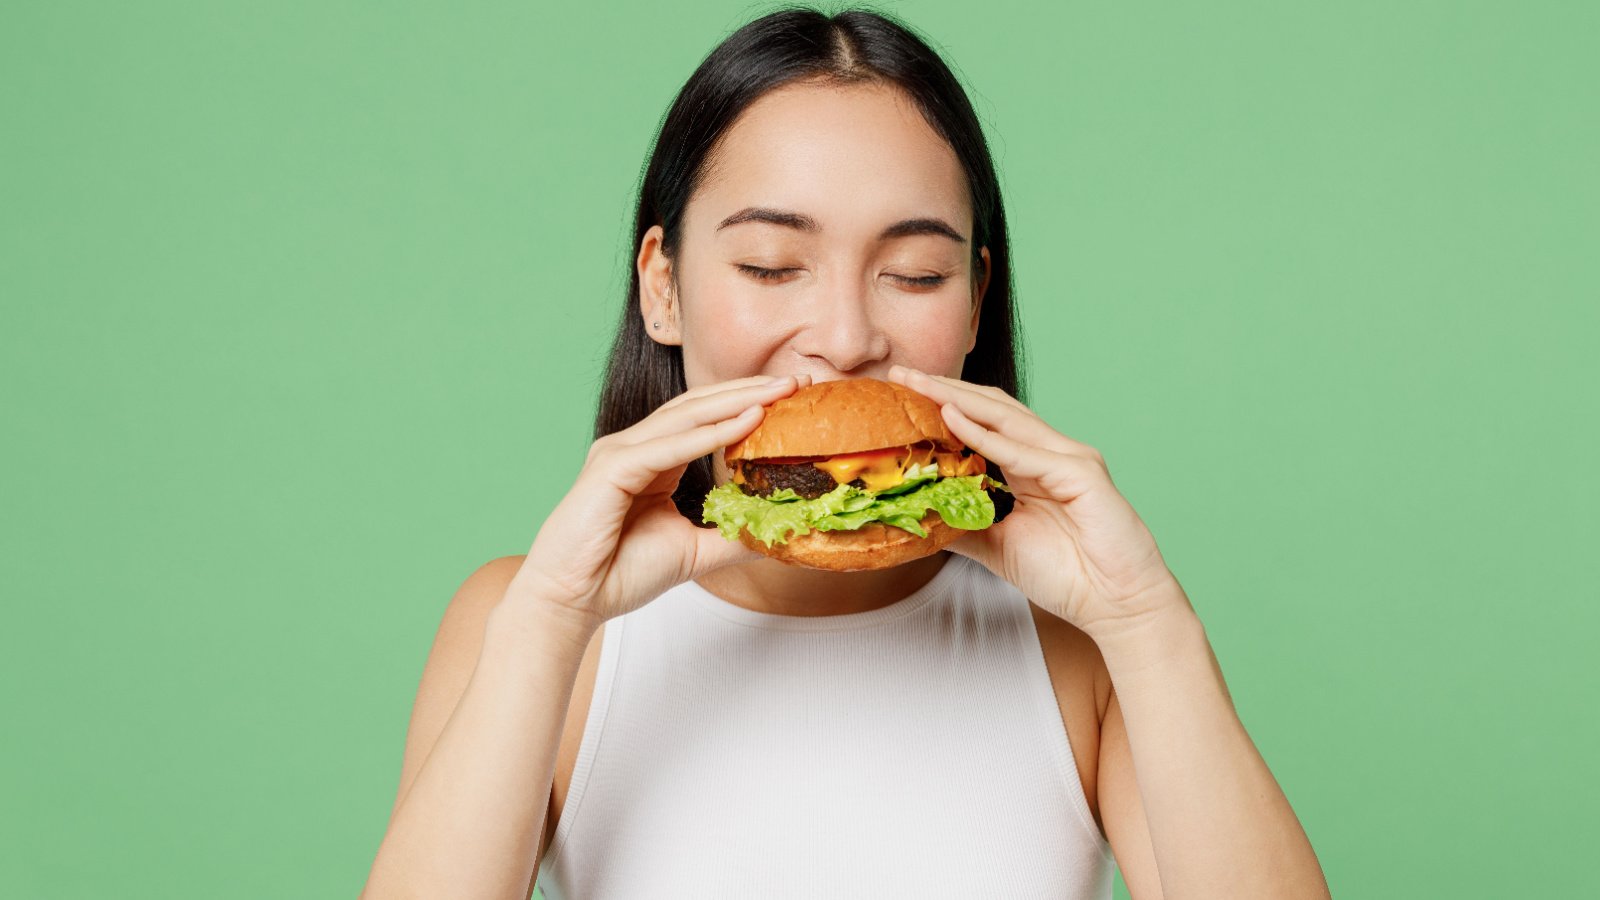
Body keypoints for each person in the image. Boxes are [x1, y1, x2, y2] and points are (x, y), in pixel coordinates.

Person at [362, 8, 1330, 899]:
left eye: (914, 273)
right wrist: (549, 620)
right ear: (662, 287)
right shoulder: (525, 621)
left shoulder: (1076, 641)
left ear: (974, 302)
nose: (844, 337)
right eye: (770, 266)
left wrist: (1148, 623)